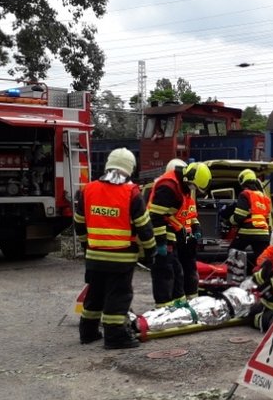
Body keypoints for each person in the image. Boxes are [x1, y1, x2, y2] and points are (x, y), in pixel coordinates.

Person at [74, 148, 155, 349]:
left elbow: (79, 224)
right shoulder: (131, 193)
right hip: (121, 258)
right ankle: (115, 337)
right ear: (130, 168)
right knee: (118, 296)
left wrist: (86, 246)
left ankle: (88, 332)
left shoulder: (87, 190)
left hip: (94, 256)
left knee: (95, 295)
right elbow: (144, 227)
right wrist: (151, 252)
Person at [146, 161, 211, 306]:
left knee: (179, 272)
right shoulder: (168, 187)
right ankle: (164, 308)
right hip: (164, 233)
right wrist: (161, 243)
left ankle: (180, 306)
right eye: (194, 187)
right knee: (166, 272)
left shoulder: (184, 189)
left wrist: (196, 229)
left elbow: (190, 215)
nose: (194, 190)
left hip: (179, 234)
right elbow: (155, 217)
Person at [224, 168, 272, 269]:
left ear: (242, 181)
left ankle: (236, 277)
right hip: (263, 233)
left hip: (247, 231)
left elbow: (239, 216)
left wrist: (228, 222)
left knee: (234, 251)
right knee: (262, 257)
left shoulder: (245, 194)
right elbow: (267, 217)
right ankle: (262, 278)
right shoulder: (263, 196)